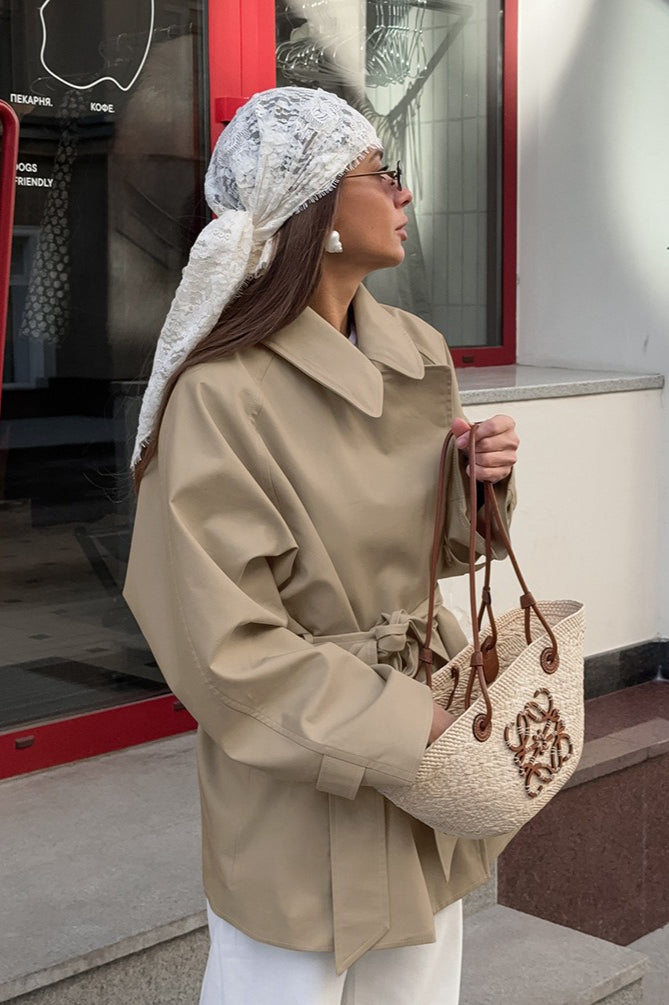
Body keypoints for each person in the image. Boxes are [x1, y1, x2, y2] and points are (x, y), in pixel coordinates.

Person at [123, 87, 519, 1005]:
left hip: (421, 766)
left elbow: (438, 554)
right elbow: (223, 650)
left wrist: (479, 482)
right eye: (382, 175)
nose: (405, 194)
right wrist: (401, 723)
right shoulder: (220, 395)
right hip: (302, 789)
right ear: (313, 209)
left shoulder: (416, 350)